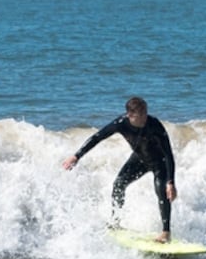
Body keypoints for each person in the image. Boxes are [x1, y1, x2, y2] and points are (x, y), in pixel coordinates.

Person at [62, 97, 177, 243]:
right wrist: (76, 156)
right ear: (130, 115)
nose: (144, 117)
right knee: (118, 184)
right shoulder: (121, 123)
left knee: (163, 192)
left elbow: (168, 154)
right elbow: (97, 137)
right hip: (139, 159)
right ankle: (116, 222)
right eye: (140, 115)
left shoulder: (154, 125)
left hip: (159, 162)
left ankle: (166, 233)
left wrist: (170, 182)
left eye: (145, 113)